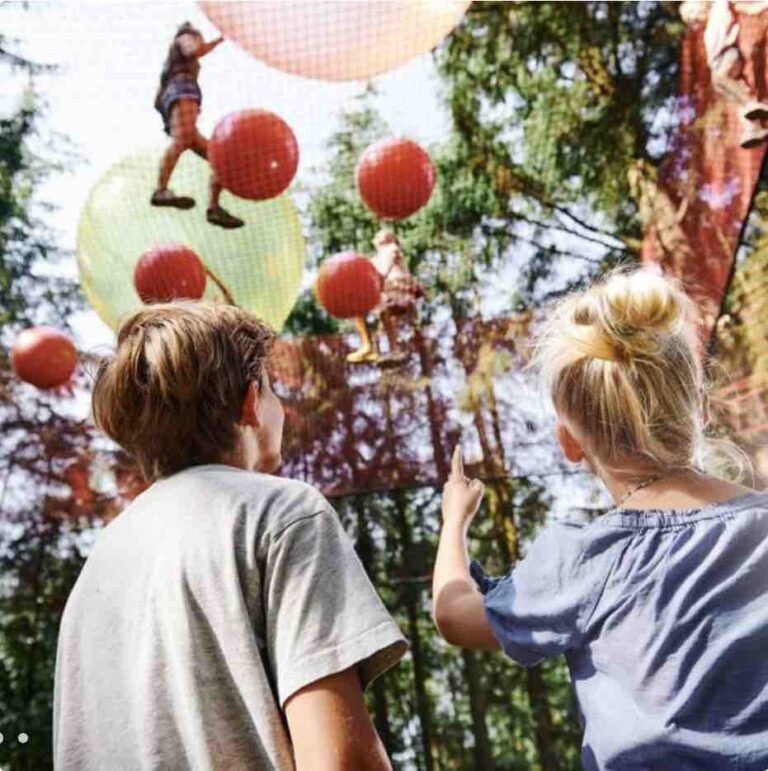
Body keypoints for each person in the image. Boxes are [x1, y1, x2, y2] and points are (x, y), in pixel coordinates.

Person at [432, 269, 768, 769]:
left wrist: (453, 519)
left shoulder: (582, 560)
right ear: (698, 407)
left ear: (568, 441)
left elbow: (453, 614)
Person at [53, 302, 407, 770]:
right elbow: (341, 760)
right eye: (273, 390)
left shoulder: (96, 571)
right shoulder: (283, 513)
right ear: (250, 401)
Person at [152, 22, 244, 229]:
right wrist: (218, 40)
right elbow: (194, 49)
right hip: (182, 90)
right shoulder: (184, 38)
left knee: (219, 158)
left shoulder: (174, 66)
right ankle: (161, 190)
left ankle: (214, 208)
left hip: (182, 93)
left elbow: (157, 99)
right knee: (182, 138)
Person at [347, 228, 425, 367]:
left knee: (384, 309)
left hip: (399, 291)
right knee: (358, 308)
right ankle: (368, 345)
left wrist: (371, 282)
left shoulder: (391, 249)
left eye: (380, 234)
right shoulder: (375, 258)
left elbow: (383, 271)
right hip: (387, 291)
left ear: (390, 238)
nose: (376, 236)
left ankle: (392, 348)